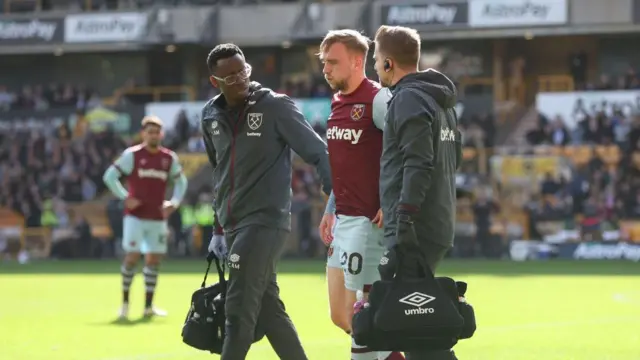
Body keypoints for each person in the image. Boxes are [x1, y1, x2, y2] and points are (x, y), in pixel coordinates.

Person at [201, 43, 332, 360]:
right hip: (233, 225)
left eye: (242, 71)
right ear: (214, 82)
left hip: (265, 221)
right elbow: (218, 173)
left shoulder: (275, 106)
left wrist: (336, 199)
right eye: (229, 76)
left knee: (238, 310)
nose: (240, 79)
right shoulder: (210, 116)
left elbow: (319, 152)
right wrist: (218, 228)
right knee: (268, 309)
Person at [372, 25, 460, 360]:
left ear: (389, 63)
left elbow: (419, 162)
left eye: (377, 60)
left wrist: (405, 217)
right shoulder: (442, 103)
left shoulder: (408, 98)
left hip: (413, 227)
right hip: (436, 220)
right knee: (416, 330)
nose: (375, 68)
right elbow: (456, 158)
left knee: (412, 329)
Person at [316, 29, 404, 360]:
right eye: (324, 62)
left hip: (370, 224)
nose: (326, 69)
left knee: (362, 313)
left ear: (357, 61)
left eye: (333, 62)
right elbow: (345, 165)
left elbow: (407, 150)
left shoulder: (379, 99)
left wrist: (391, 201)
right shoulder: (337, 101)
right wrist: (330, 208)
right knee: (342, 315)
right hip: (343, 219)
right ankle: (392, 350)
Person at [103, 116, 188, 319]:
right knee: (132, 256)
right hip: (135, 217)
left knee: (154, 260)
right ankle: (124, 305)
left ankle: (148, 307)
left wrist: (174, 202)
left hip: (157, 217)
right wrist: (126, 197)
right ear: (143, 134)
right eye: (149, 132)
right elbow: (109, 177)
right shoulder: (132, 155)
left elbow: (181, 182)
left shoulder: (168, 158)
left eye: (157, 132)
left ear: (162, 134)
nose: (153, 135)